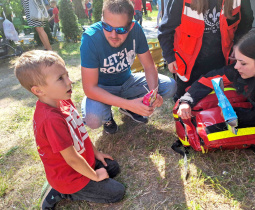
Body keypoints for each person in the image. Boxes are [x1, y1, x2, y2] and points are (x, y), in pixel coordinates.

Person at [14, 50, 125, 209]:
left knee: (112, 167)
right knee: (117, 192)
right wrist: (94, 175)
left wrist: (96, 153)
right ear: (38, 90)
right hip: (69, 177)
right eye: (60, 78)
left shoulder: (64, 100)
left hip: (82, 162)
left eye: (66, 75)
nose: (69, 81)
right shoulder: (50, 120)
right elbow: (71, 158)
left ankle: (86, 173)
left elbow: (82, 133)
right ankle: (61, 191)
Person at [177, 29, 255, 144]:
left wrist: (234, 115)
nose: (236, 67)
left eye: (243, 63)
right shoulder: (244, 67)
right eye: (236, 60)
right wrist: (186, 101)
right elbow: (209, 79)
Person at [80, 0, 176, 134]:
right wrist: (128, 104)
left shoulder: (136, 29)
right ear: (102, 20)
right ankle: (108, 117)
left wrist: (153, 94)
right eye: (107, 27)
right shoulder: (90, 38)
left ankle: (129, 107)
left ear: (130, 26)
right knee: (93, 119)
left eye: (120, 30)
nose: (113, 35)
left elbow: (149, 66)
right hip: (101, 88)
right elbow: (89, 88)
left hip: (128, 81)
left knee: (169, 86)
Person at [158, 0, 254, 101]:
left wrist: (237, 44)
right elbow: (165, 29)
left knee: (219, 102)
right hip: (189, 66)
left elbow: (246, 21)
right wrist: (169, 57)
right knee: (184, 102)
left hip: (222, 63)